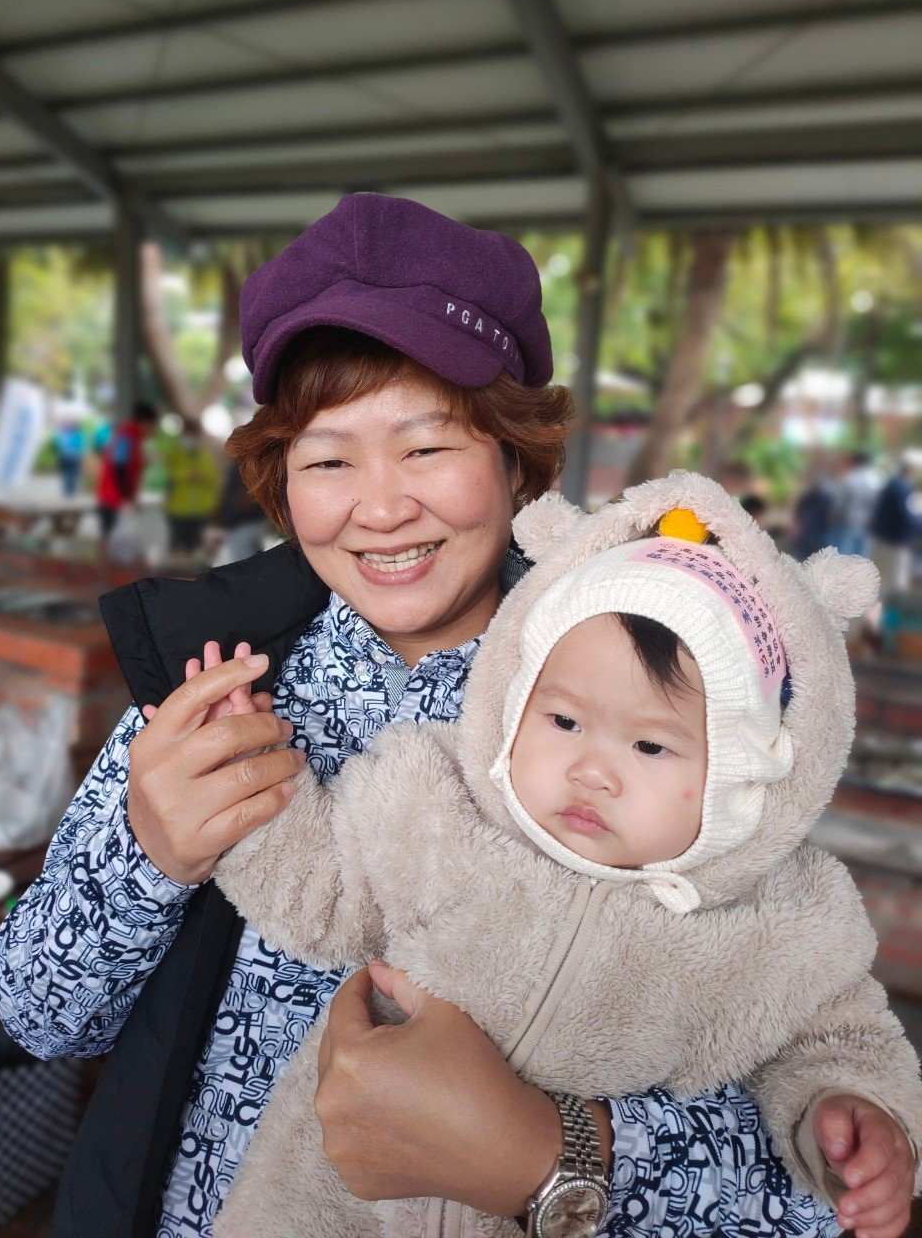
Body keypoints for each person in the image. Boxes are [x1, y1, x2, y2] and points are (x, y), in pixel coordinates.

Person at [0, 195, 916, 1238]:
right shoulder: (212, 679)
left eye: (428, 448)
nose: (382, 507)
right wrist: (147, 857)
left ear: (517, 456)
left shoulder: (644, 700)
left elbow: (808, 1187)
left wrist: (551, 1152)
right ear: (282, 483)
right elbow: (37, 1016)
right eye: (328, 460)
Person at [211, 474, 922, 1238]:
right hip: (318, 1214)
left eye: (650, 745)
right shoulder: (435, 804)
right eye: (563, 721)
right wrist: (245, 784)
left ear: (745, 774)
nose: (591, 770)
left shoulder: (781, 924)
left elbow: (837, 1040)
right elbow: (319, 891)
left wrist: (853, 1113)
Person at [94, 400, 159, 537]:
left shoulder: (134, 437)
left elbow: (126, 464)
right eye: (154, 425)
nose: (154, 430)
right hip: (113, 499)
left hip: (118, 499)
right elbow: (119, 467)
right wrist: (127, 499)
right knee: (112, 541)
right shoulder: (126, 435)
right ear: (145, 422)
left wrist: (143, 463)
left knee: (118, 541)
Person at [162, 418, 223, 557]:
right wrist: (186, 475)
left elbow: (213, 478)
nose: (190, 439)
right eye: (188, 435)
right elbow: (166, 475)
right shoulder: (174, 454)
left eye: (193, 435)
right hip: (177, 510)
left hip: (200, 511)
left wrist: (201, 477)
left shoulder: (205, 456)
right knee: (177, 549)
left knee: (195, 550)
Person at [870, 461, 920, 599]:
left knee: (880, 576)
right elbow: (905, 515)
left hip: (883, 536)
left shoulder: (891, 485)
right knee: (896, 581)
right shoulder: (902, 488)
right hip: (896, 540)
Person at [830, 451, 881, 558]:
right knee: (861, 556)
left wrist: (833, 517)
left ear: (855, 462)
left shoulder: (850, 479)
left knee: (844, 554)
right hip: (868, 524)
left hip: (848, 522)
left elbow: (840, 503)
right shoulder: (877, 480)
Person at [54, 419, 86, 497]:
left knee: (66, 473)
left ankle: (67, 490)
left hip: (65, 456)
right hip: (74, 457)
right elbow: (81, 446)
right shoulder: (79, 435)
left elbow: (59, 445)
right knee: (73, 474)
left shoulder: (64, 434)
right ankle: (71, 491)